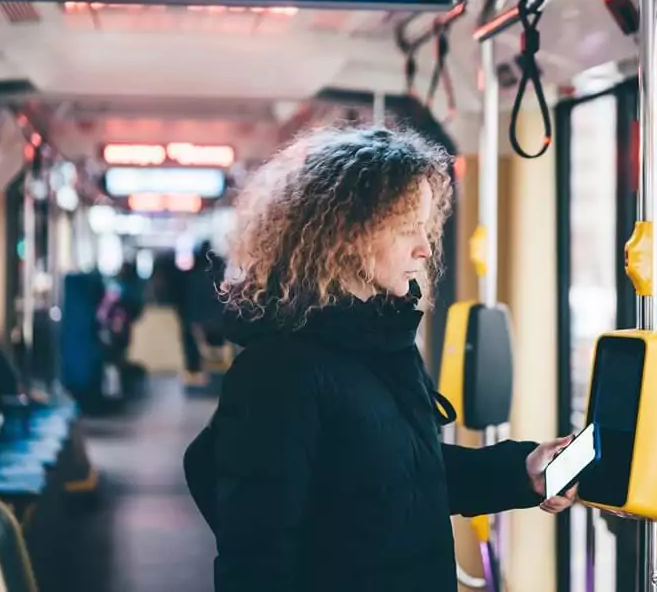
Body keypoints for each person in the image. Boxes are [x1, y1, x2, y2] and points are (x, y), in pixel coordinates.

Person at [203, 125, 577, 592]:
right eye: (406, 230)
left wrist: (519, 472)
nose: (424, 248)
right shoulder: (278, 373)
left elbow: (404, 477)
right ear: (345, 236)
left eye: (426, 228)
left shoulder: (386, 344)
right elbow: (256, 564)